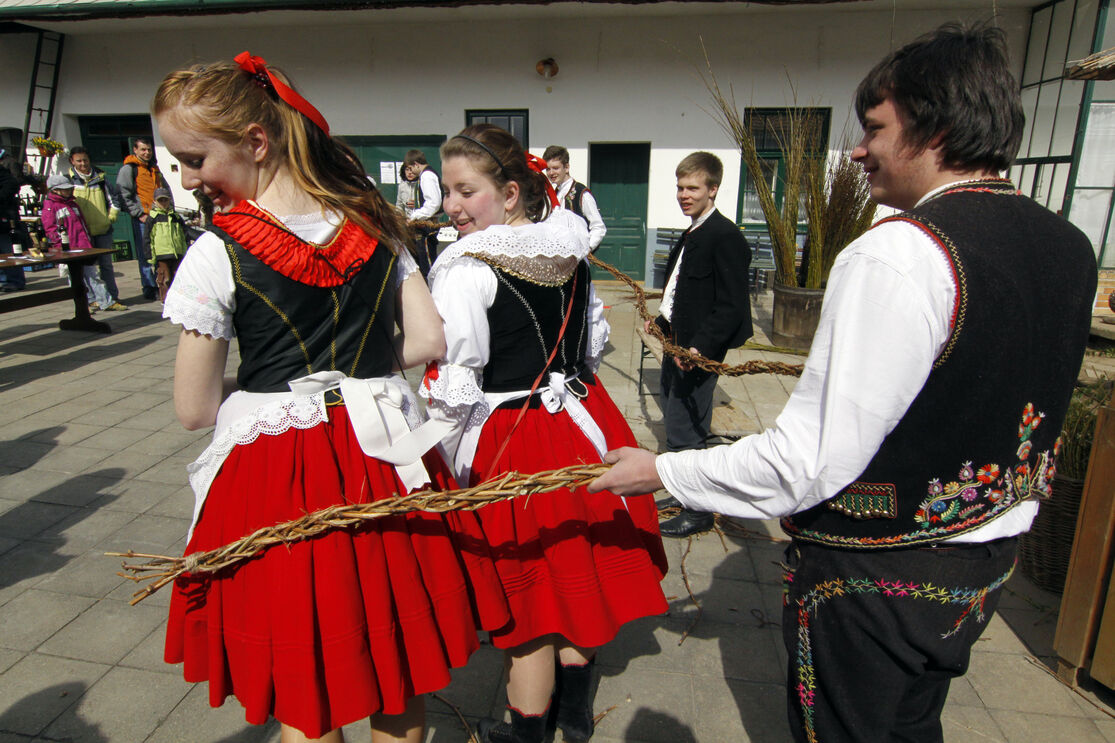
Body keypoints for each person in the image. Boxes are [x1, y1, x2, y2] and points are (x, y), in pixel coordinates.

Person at [592, 22, 1098, 743]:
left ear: (934, 126)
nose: (856, 149)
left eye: (874, 127)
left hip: (877, 574)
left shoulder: (899, 251)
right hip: (987, 559)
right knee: (913, 724)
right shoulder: (1067, 242)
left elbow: (807, 460)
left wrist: (665, 468)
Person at [154, 52, 509, 743]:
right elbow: (429, 338)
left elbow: (194, 409)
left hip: (283, 475)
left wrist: (272, 391)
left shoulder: (216, 251)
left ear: (256, 142)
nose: (189, 178)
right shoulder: (374, 224)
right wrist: (362, 376)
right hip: (387, 459)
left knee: (306, 676)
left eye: (194, 159)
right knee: (395, 666)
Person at [423, 124, 668, 743]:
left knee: (530, 608)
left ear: (509, 194)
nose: (451, 205)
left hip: (514, 441)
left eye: (465, 190)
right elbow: (591, 346)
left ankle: (528, 732)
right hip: (584, 427)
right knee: (576, 579)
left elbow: (457, 383)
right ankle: (575, 716)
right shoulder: (571, 256)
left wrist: (439, 459)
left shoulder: (466, 269)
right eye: (448, 190)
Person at [651, 152, 752, 537]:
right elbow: (682, 289)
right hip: (677, 342)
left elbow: (730, 307)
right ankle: (682, 492)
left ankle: (698, 511)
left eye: (692, 188)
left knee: (688, 428)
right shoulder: (694, 231)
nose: (683, 194)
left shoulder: (725, 237)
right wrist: (661, 321)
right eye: (679, 187)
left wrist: (700, 349)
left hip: (696, 353)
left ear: (713, 189)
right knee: (674, 420)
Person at [67, 146, 128, 311]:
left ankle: (112, 297)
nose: (83, 164)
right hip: (83, 233)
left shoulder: (100, 178)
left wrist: (112, 216)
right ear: (72, 161)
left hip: (103, 229)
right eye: (78, 161)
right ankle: (93, 298)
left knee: (106, 265)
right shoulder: (68, 180)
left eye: (85, 160)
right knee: (88, 269)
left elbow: (114, 198)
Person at [40, 173, 112, 310]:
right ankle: (86, 303)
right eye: (64, 189)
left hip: (84, 246)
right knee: (76, 279)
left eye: (68, 188)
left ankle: (106, 302)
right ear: (54, 190)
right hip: (68, 249)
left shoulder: (73, 203)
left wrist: (88, 240)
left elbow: (82, 224)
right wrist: (59, 245)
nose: (68, 191)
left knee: (93, 275)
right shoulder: (50, 206)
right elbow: (50, 228)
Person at [117, 136, 168, 300]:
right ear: (135, 150)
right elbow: (124, 195)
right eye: (143, 149)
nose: (147, 153)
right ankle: (148, 286)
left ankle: (161, 282)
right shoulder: (129, 169)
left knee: (160, 251)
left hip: (159, 216)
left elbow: (165, 190)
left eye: (149, 150)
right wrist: (139, 214)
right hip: (143, 218)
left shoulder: (154, 168)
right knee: (145, 253)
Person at [541, 145, 606, 252]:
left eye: (555, 168)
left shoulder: (582, 193)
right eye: (548, 169)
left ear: (566, 167)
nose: (551, 173)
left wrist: (587, 249)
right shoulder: (554, 194)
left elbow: (598, 227)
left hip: (577, 261)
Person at [144, 187, 189, 301]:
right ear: (155, 202)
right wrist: (150, 256)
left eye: (165, 200)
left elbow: (184, 236)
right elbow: (148, 238)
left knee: (178, 277)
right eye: (160, 201)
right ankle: (165, 300)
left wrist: (185, 252)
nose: (163, 203)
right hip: (162, 254)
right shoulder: (152, 218)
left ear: (169, 200)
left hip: (177, 253)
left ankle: (179, 300)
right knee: (164, 278)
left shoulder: (176, 217)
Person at [402, 149, 441, 276]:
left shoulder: (426, 176)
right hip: (425, 224)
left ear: (416, 164)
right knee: (422, 260)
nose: (410, 172)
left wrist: (414, 216)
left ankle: (431, 290)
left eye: (410, 168)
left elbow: (433, 204)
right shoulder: (425, 175)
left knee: (427, 263)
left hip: (427, 226)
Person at [0, 149, 26, 292]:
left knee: (8, 250)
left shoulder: (1, 171)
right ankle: (4, 280)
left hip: (3, 217)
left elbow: (13, 184)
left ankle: (16, 280)